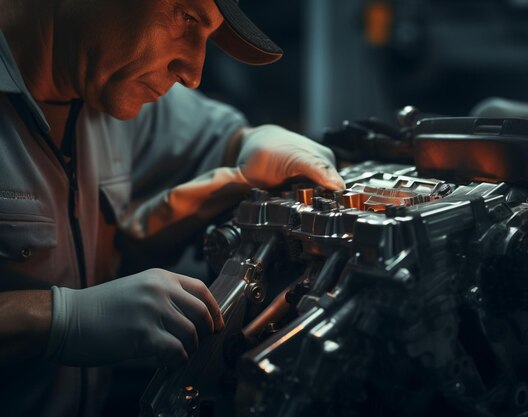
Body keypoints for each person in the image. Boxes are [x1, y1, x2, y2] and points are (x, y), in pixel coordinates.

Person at [0, 0, 345, 416]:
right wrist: (56, 319)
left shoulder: (106, 81)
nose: (194, 74)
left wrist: (255, 143)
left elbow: (219, 135)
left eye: (208, 35)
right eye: (186, 17)